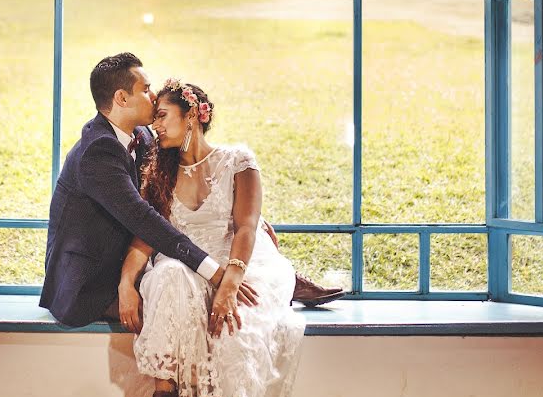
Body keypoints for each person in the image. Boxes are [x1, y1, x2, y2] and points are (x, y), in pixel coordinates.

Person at [40, 52, 342, 329]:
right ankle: (171, 387)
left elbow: (174, 176)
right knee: (186, 309)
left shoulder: (142, 135)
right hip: (89, 281)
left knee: (222, 290)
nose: (154, 95)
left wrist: (245, 216)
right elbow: (145, 218)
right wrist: (215, 272)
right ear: (121, 98)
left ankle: (282, 285)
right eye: (146, 89)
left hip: (131, 256)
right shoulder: (98, 152)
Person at [119, 79, 304, 397]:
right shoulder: (158, 175)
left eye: (162, 115)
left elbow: (245, 227)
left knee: (236, 338)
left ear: (193, 116)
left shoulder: (237, 160)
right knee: (166, 277)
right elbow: (144, 243)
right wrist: (126, 282)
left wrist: (230, 283)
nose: (154, 124)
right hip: (187, 266)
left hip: (239, 265)